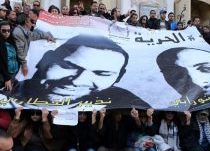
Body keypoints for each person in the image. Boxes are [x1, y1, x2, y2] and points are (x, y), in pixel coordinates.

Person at [7, 34, 150, 109]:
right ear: (46, 58)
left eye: (102, 73)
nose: (77, 81)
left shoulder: (124, 101)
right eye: (69, 66)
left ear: (118, 78)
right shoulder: (8, 96)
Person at [0, 21, 19, 91]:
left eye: (8, 30)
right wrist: (7, 78)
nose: (7, 32)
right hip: (3, 75)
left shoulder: (12, 41)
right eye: (4, 31)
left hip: (13, 73)